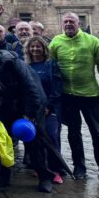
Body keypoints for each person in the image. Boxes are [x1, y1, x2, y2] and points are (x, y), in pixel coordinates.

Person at [0, 41, 60, 192]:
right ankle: (4, 176)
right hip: (7, 108)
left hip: (28, 105)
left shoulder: (9, 61)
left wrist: (30, 114)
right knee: (4, 140)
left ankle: (45, 176)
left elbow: (30, 86)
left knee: (34, 142)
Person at [49, 12, 99, 184]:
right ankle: (79, 167)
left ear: (79, 23)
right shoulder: (56, 42)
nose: (69, 24)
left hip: (90, 94)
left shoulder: (92, 41)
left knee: (97, 133)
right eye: (66, 21)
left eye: (72, 21)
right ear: (62, 24)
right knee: (73, 133)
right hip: (67, 95)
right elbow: (51, 67)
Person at [24, 35, 64, 184]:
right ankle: (41, 168)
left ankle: (56, 170)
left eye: (38, 46)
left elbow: (57, 88)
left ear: (44, 48)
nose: (35, 49)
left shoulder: (51, 65)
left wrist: (49, 106)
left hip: (49, 109)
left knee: (52, 137)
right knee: (36, 140)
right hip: (33, 110)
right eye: (32, 47)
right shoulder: (26, 66)